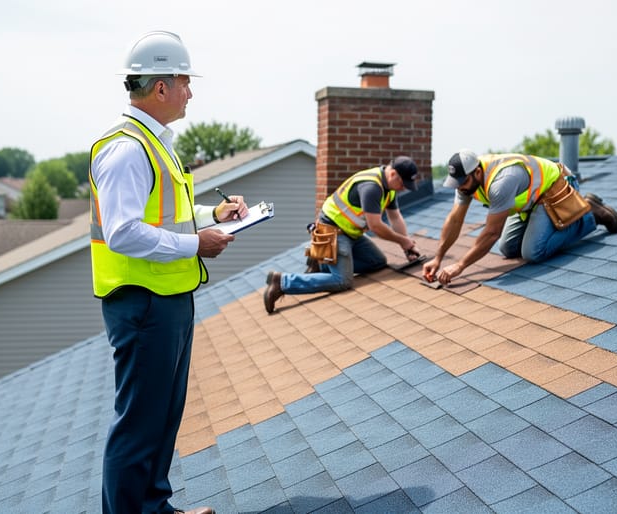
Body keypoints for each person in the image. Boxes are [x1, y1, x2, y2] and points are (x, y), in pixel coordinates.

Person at [90, 31, 246, 514]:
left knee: (161, 418)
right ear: (161, 88)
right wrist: (196, 243)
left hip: (166, 298)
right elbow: (122, 233)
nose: (190, 93)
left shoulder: (152, 144)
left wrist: (211, 218)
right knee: (140, 423)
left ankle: (154, 508)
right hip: (143, 303)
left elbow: (163, 217)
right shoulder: (126, 149)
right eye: (184, 82)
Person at [423, 149, 617, 285]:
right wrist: (438, 258)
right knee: (508, 248)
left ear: (477, 172)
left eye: (463, 182)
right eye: (456, 182)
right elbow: (455, 220)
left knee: (533, 252)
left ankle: (590, 213)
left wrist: (460, 266)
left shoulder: (501, 182)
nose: (460, 187)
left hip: (555, 189)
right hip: (529, 203)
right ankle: (550, 222)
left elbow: (492, 233)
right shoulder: (466, 182)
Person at [263, 156, 422, 313]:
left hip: (351, 234)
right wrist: (402, 241)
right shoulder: (372, 187)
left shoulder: (389, 188)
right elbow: (376, 226)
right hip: (333, 232)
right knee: (342, 281)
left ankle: (322, 262)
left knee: (377, 262)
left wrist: (406, 246)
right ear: (393, 174)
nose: (403, 188)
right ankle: (282, 282)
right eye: (403, 183)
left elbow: (395, 217)